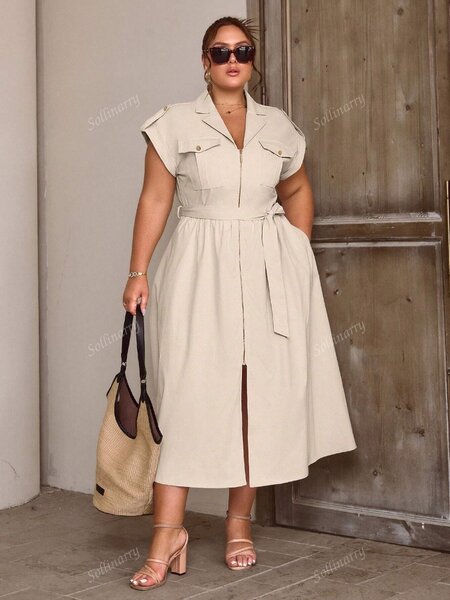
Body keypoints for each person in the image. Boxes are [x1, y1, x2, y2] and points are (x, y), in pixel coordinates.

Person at [125, 16, 357, 592]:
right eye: (221, 51)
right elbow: (155, 198)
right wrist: (138, 271)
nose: (233, 60)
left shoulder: (279, 126)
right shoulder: (174, 123)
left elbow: (296, 188)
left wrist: (294, 252)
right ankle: (167, 534)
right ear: (204, 60)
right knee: (185, 396)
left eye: (243, 51)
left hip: (266, 268)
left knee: (254, 393)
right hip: (197, 266)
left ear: (252, 60)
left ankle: (238, 525)